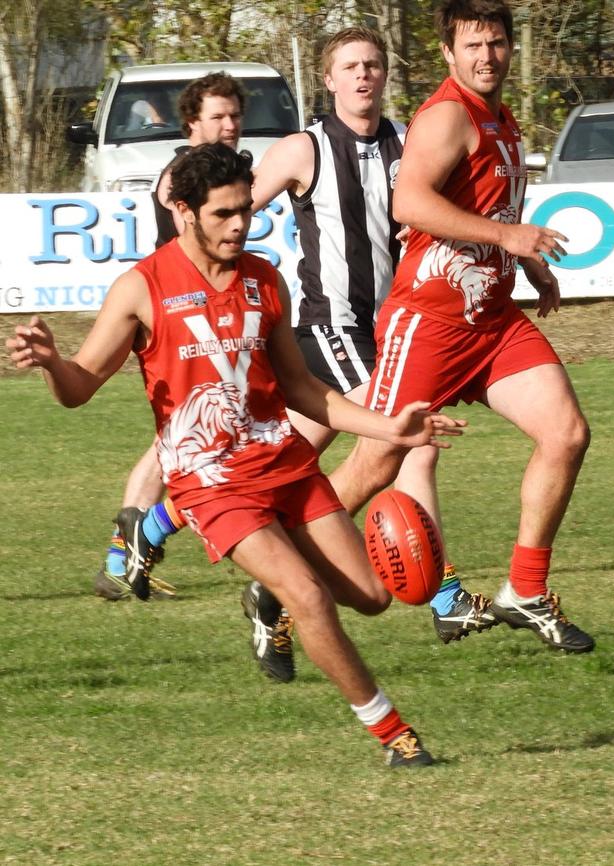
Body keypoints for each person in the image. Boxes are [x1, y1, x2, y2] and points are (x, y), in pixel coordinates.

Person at [7, 142, 466, 767]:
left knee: (373, 596)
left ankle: (270, 593)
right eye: (223, 213)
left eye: (245, 211)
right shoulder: (140, 289)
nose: (240, 225)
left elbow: (304, 390)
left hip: (285, 465)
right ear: (184, 212)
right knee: (310, 596)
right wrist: (53, 363)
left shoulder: (263, 279)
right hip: (211, 484)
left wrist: (392, 429)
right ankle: (395, 736)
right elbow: (80, 386)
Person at [114, 27, 497, 684]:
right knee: (410, 442)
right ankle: (442, 595)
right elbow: (226, 215)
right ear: (329, 78)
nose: (364, 77)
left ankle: (167, 530)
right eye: (351, 67)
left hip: (393, 323)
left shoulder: (411, 141)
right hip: (331, 326)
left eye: (374, 65)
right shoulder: (304, 147)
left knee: (267, 455)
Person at [327, 0, 594, 654]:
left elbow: (489, 206)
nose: (487, 56)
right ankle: (281, 579)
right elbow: (410, 200)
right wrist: (510, 235)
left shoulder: (503, 118)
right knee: (377, 459)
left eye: (497, 44)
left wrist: (527, 261)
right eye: (473, 45)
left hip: (491, 321)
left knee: (566, 433)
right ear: (449, 54)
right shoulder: (448, 114)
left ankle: (525, 590)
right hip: (431, 322)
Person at [95, 72, 246, 601]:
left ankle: (123, 558)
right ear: (191, 124)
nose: (228, 125)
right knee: (177, 445)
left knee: (173, 445)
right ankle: (124, 556)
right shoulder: (183, 174)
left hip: (203, 320)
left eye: (234, 116)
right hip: (177, 320)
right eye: (216, 117)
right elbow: (168, 192)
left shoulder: (224, 173)